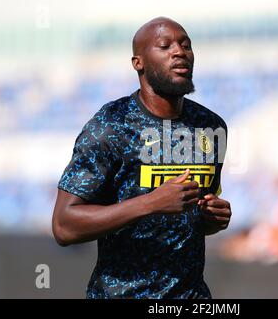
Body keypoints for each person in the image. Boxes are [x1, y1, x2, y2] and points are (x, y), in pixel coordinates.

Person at [52, 17, 231, 299]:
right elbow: (64, 226)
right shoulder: (110, 125)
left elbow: (191, 220)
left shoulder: (210, 126)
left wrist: (211, 218)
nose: (179, 51)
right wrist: (151, 202)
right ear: (139, 63)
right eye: (165, 45)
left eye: (186, 45)